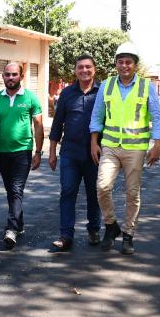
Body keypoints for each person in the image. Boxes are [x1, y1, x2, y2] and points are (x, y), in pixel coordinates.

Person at [89, 42, 160, 254]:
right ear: (116, 64)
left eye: (128, 62)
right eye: (120, 62)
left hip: (135, 149)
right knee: (102, 187)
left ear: (135, 65)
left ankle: (128, 234)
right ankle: (111, 225)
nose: (124, 66)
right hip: (110, 146)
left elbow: (157, 118)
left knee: (132, 193)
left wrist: (157, 144)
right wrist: (94, 141)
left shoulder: (146, 87)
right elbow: (97, 116)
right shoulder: (106, 85)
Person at [48, 54, 102, 251]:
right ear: (75, 70)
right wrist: (52, 152)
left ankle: (94, 229)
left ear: (94, 70)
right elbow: (57, 123)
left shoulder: (103, 92)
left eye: (88, 67)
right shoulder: (67, 93)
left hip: (95, 154)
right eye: (80, 67)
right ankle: (66, 236)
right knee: (68, 192)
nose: (84, 70)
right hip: (70, 153)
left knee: (94, 194)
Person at [0, 61, 44, 249]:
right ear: (3, 77)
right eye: (7, 74)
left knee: (16, 190)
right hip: (2, 151)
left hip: (23, 151)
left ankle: (11, 229)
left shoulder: (31, 98)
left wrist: (38, 152)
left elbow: (38, 126)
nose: (10, 77)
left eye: (14, 74)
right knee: (11, 191)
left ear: (21, 77)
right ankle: (19, 224)